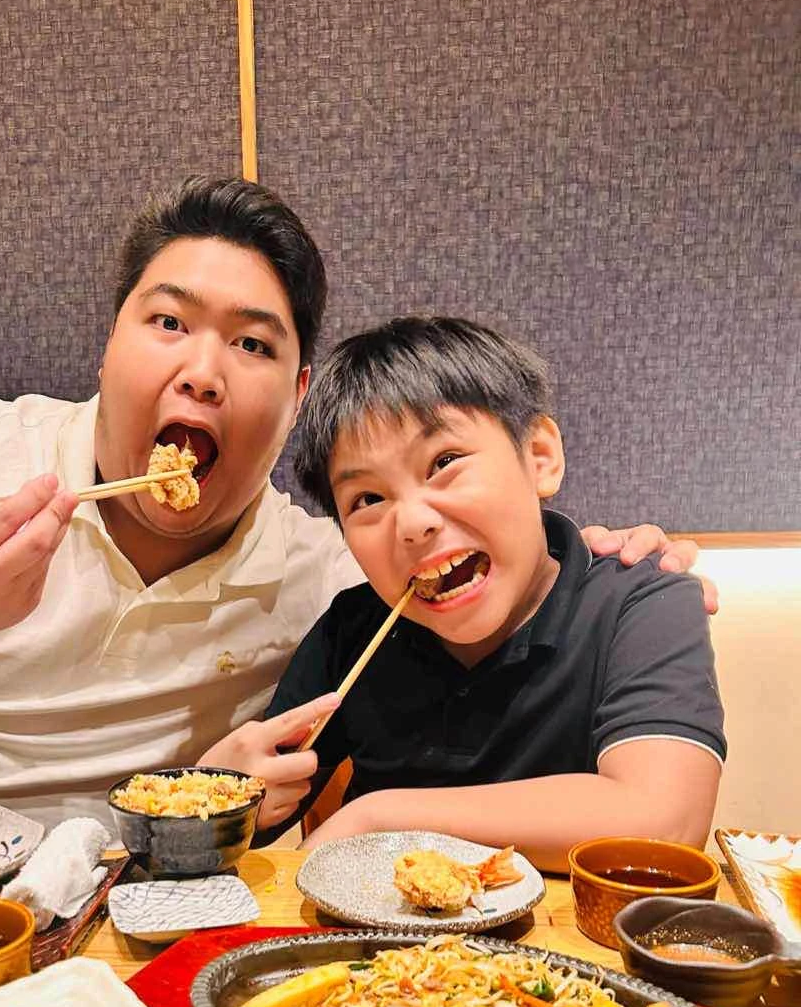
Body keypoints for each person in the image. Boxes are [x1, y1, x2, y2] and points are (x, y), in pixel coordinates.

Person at [0, 180, 711, 837]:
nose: (202, 370)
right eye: (168, 323)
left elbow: (467, 545)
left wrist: (618, 556)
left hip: (103, 918)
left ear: (294, 395)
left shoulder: (331, 571)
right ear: (108, 347)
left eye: (251, 344)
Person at [201, 317, 724, 870]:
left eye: (444, 463)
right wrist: (223, 797)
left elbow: (664, 820)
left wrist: (380, 818)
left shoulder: (642, 603)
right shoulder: (353, 632)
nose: (412, 522)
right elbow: (254, 815)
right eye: (367, 499)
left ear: (540, 456)